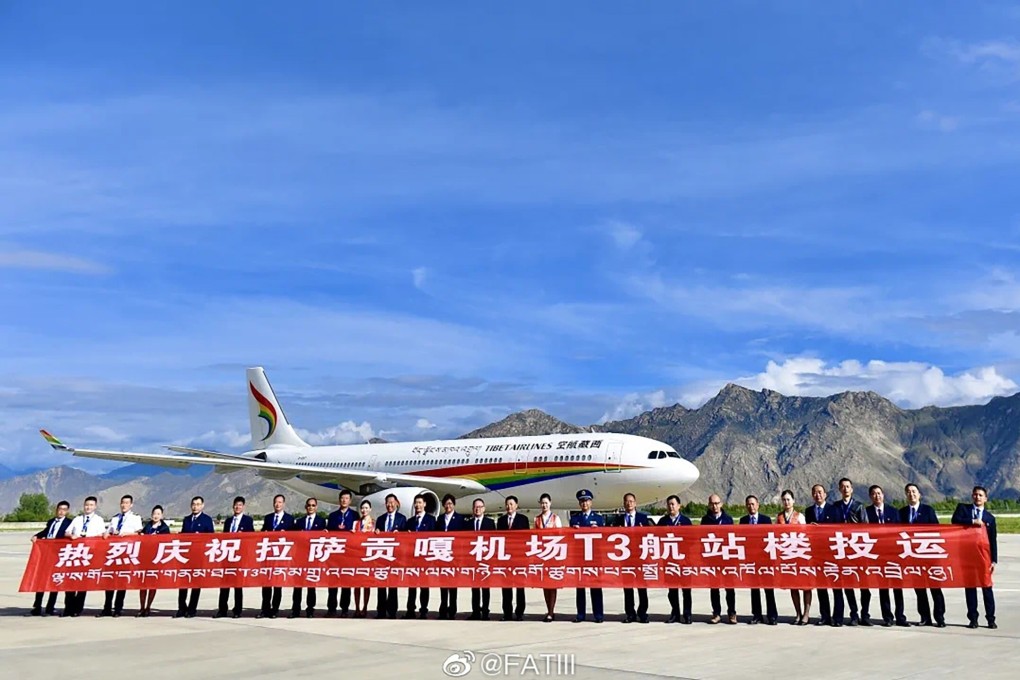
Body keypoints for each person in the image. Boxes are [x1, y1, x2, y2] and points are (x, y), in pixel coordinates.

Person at [900, 483, 945, 627]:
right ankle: (925, 617)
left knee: (935, 588)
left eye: (914, 491)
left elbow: (937, 532)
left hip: (929, 556)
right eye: (908, 492)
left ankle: (939, 617)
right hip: (912, 558)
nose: (911, 494)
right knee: (920, 589)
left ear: (919, 495)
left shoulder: (928, 510)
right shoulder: (901, 513)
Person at [951, 485, 997, 629]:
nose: (977, 497)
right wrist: (972, 522)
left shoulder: (990, 518)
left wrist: (994, 560)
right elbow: (955, 520)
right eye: (975, 495)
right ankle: (973, 619)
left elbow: (992, 540)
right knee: (970, 589)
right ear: (972, 496)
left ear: (985, 499)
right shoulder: (963, 509)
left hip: (984, 557)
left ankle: (990, 618)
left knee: (986, 588)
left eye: (980, 495)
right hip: (967, 556)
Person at [862, 485, 906, 627]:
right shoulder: (867, 513)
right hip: (876, 555)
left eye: (879, 493)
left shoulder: (893, 512)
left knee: (897, 587)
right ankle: (887, 617)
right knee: (884, 587)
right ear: (870, 497)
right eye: (874, 494)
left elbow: (900, 532)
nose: (877, 496)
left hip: (893, 554)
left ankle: (900, 616)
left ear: (883, 494)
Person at [826, 478, 867, 627]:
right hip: (839, 551)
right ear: (839, 489)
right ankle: (843, 615)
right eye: (842, 487)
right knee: (841, 585)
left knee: (856, 586)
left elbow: (865, 529)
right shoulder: (835, 507)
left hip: (854, 551)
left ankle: (859, 614)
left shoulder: (859, 506)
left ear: (852, 489)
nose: (845, 489)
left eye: (848, 486)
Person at [99, 494, 144, 618]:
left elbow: (139, 533)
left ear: (131, 505)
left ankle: (118, 608)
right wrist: (107, 533)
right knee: (110, 581)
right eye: (122, 502)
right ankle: (107, 607)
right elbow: (109, 531)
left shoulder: (135, 518)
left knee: (121, 581)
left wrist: (127, 534)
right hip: (113, 552)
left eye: (127, 503)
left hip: (126, 552)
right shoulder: (115, 518)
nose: (124, 505)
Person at [62, 495, 105, 617]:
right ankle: (68, 608)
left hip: (89, 554)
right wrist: (71, 536)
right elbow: (67, 532)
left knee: (82, 583)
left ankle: (77, 609)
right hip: (75, 553)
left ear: (95, 506)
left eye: (91, 505)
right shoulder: (77, 519)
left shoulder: (99, 520)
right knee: (70, 581)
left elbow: (101, 536)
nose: (88, 507)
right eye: (87, 505)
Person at [29, 499, 71, 617]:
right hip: (46, 555)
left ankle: (50, 607)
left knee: (54, 581)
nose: (61, 512)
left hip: (58, 556)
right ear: (56, 510)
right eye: (59, 509)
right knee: (41, 580)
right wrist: (36, 536)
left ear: (67, 511)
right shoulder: (51, 521)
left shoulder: (69, 523)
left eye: (64, 510)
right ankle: (37, 606)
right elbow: (46, 532)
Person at [740, 495, 777, 625]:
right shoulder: (743, 521)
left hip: (765, 559)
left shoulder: (766, 520)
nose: (751, 507)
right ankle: (757, 615)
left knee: (768, 588)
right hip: (751, 560)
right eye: (749, 504)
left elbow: (770, 539)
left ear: (758, 505)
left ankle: (772, 615)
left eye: (753, 504)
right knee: (754, 589)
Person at [615, 492, 652, 623]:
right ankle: (630, 613)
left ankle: (643, 613)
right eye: (626, 501)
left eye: (631, 501)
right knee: (628, 587)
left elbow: (651, 536)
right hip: (626, 559)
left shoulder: (643, 518)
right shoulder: (619, 520)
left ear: (635, 503)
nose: (629, 504)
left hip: (640, 557)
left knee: (642, 587)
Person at [776, 489, 811, 625]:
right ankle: (798, 613)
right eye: (784, 500)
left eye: (788, 499)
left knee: (806, 585)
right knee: (793, 586)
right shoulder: (779, 517)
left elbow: (806, 535)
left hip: (801, 555)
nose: (786, 502)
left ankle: (806, 614)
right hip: (787, 556)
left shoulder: (800, 516)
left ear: (793, 501)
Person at [175, 496, 214, 618]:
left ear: (202, 506)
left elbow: (210, 538)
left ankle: (192, 609)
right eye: (193, 504)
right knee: (183, 582)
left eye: (198, 504)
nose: (195, 506)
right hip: (186, 556)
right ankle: (181, 608)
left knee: (196, 583)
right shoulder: (186, 520)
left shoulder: (207, 520)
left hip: (199, 556)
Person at [570, 489, 605, 623]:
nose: (584, 503)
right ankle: (580, 614)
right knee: (580, 588)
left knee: (596, 587)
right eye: (582, 501)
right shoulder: (575, 519)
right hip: (579, 557)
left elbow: (604, 538)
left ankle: (598, 615)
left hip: (595, 558)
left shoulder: (598, 519)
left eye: (586, 500)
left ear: (591, 502)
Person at [216, 496, 254, 618]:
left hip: (240, 557)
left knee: (238, 586)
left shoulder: (248, 521)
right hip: (227, 556)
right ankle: (222, 609)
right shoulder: (228, 521)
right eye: (236, 505)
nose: (237, 507)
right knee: (224, 585)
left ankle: (237, 610)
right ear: (233, 507)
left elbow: (252, 538)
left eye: (240, 505)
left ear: (243, 507)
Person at [657, 494, 692, 624]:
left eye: (673, 504)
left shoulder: (686, 521)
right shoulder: (663, 522)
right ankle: (675, 613)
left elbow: (691, 541)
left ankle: (687, 614)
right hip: (669, 561)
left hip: (684, 561)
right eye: (669, 504)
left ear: (679, 506)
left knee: (686, 589)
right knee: (672, 590)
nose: (671, 506)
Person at [258, 494, 294, 619]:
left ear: (283, 504)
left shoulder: (289, 519)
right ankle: (265, 609)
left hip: (281, 556)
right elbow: (262, 533)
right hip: (269, 556)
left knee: (277, 584)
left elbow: (294, 537)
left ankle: (275, 609)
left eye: (280, 502)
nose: (277, 504)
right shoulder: (268, 518)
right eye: (276, 502)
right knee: (266, 584)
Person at [702, 494, 736, 624]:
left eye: (717, 503)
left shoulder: (728, 519)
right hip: (713, 559)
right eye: (712, 503)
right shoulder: (705, 520)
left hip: (727, 559)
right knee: (714, 588)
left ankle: (732, 613)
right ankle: (716, 613)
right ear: (709, 505)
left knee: (729, 588)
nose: (715, 506)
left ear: (721, 504)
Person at [290, 497, 325, 618]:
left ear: (316, 507)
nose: (311, 507)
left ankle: (310, 609)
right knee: (297, 586)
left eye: (313, 505)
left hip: (313, 558)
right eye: (309, 505)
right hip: (300, 557)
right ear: (306, 507)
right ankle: (295, 609)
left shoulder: (321, 522)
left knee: (311, 586)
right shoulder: (299, 522)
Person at [326, 489, 358, 618]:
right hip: (334, 554)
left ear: (350, 501)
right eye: (342, 498)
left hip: (348, 554)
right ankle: (331, 608)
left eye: (346, 498)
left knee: (346, 582)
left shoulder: (355, 515)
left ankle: (345, 608)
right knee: (332, 583)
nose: (344, 500)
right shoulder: (333, 516)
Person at [497, 495, 529, 621]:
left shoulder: (523, 520)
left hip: (519, 559)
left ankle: (520, 612)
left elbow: (526, 539)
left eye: (511, 504)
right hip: (505, 559)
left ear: (516, 505)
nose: (509, 507)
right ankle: (507, 612)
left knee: (520, 587)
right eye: (507, 504)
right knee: (506, 587)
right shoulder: (501, 521)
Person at [804, 484, 832, 626]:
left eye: (820, 492)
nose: (818, 495)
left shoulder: (833, 509)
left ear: (825, 494)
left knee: (837, 588)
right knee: (821, 587)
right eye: (815, 492)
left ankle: (838, 616)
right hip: (816, 554)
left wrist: (822, 529)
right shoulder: (808, 511)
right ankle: (825, 615)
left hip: (831, 553)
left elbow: (837, 528)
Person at [404, 494, 435, 619]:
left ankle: (423, 610)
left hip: (424, 558)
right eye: (416, 503)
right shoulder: (410, 521)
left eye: (420, 502)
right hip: (412, 558)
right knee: (411, 587)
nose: (418, 505)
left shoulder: (431, 520)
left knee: (424, 586)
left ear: (425, 504)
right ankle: (410, 610)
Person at [376, 493, 406, 619]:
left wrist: (400, 533)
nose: (390, 505)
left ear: (397, 503)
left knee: (393, 585)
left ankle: (392, 611)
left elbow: (406, 537)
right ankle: (381, 611)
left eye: (392, 502)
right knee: (381, 585)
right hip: (382, 556)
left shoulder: (402, 519)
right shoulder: (381, 519)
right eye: (388, 502)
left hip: (395, 556)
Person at [534, 493, 563, 622]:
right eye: (542, 503)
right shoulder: (537, 519)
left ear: (550, 503)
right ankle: (548, 609)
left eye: (546, 503)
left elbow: (561, 537)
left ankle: (551, 611)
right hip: (542, 555)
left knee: (553, 584)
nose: (544, 505)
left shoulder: (556, 519)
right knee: (545, 584)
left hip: (553, 555)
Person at [137, 505, 170, 617]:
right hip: (145, 559)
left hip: (156, 560)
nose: (156, 516)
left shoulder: (164, 529)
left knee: (152, 584)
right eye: (154, 514)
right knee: (143, 584)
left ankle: (148, 607)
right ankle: (141, 607)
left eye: (158, 514)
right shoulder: (147, 527)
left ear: (162, 515)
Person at [437, 494, 465, 620]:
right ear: (443, 505)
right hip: (443, 556)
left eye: (450, 504)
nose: (448, 506)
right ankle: (443, 609)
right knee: (443, 586)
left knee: (453, 586)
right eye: (446, 504)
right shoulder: (440, 519)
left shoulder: (460, 519)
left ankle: (452, 610)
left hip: (455, 557)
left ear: (454, 505)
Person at [468, 498, 496, 620]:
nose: (477, 509)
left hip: (486, 560)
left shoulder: (490, 523)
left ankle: (485, 611)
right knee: (474, 588)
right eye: (475, 507)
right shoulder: (468, 523)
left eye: (480, 506)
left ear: (484, 508)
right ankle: (475, 611)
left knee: (485, 587)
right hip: (473, 560)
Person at [353, 500, 375, 618]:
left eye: (366, 508)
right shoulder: (355, 523)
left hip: (368, 557)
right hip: (357, 556)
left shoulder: (374, 523)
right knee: (356, 584)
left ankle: (365, 607)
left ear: (370, 509)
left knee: (366, 584)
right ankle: (357, 608)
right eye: (362, 508)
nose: (364, 510)